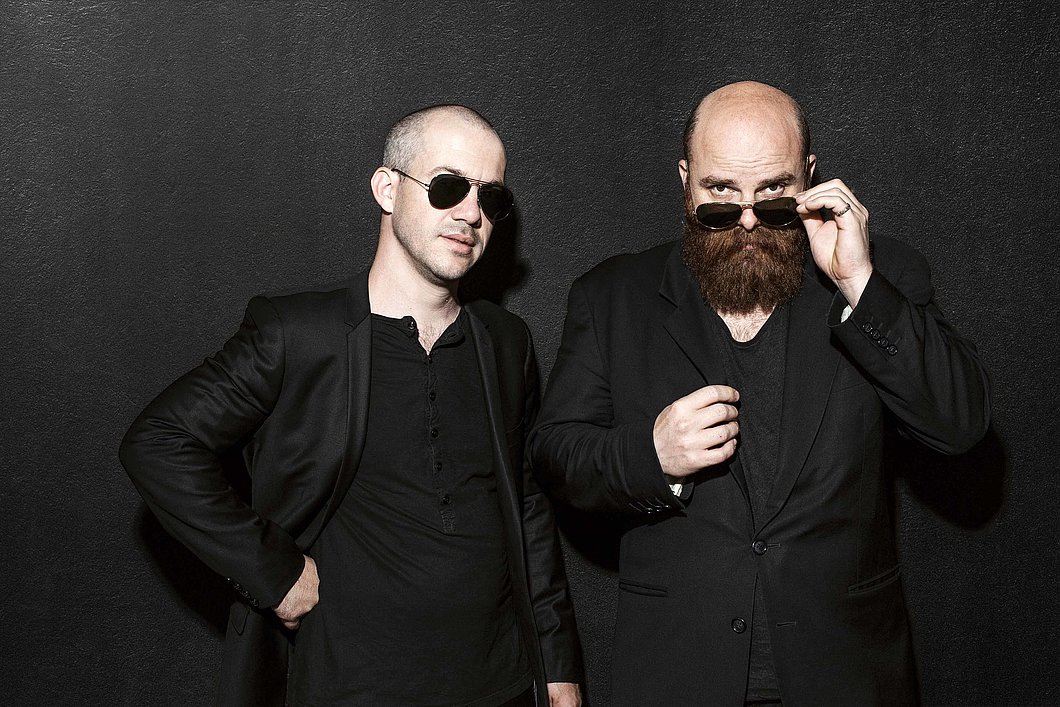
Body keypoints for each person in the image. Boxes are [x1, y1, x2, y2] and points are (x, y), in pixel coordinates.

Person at [528, 82, 990, 706]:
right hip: (680, 673)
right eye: (721, 195)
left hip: (846, 674)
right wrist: (651, 456)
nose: (747, 220)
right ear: (686, 181)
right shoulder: (612, 296)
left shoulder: (882, 276)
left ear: (809, 177)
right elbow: (556, 454)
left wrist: (859, 283)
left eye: (773, 196)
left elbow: (960, 424)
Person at [120, 104, 583, 707]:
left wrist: (556, 667)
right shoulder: (298, 334)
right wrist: (273, 572)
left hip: (502, 685)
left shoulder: (505, 342)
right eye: (447, 186)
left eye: (490, 197)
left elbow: (526, 506)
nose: (471, 213)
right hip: (352, 686)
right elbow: (158, 442)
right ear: (387, 189)